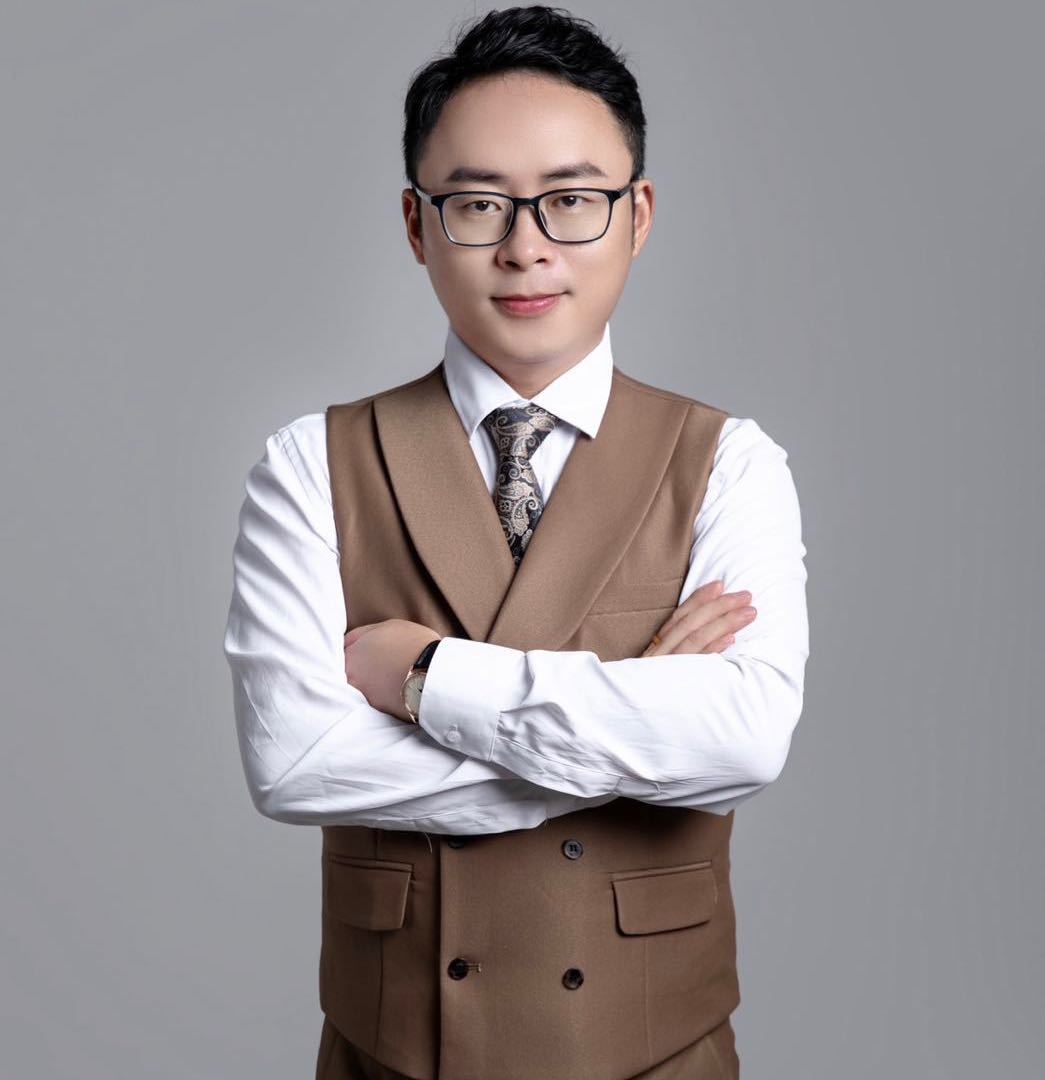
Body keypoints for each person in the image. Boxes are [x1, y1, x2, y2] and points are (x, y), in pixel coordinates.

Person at [222, 6, 809, 1078]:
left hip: (659, 1052)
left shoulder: (731, 462)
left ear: (637, 216)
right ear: (417, 225)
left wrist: (428, 678)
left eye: (571, 200)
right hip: (393, 1055)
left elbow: (742, 742)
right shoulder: (312, 463)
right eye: (479, 204)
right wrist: (634, 731)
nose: (526, 246)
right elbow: (298, 764)